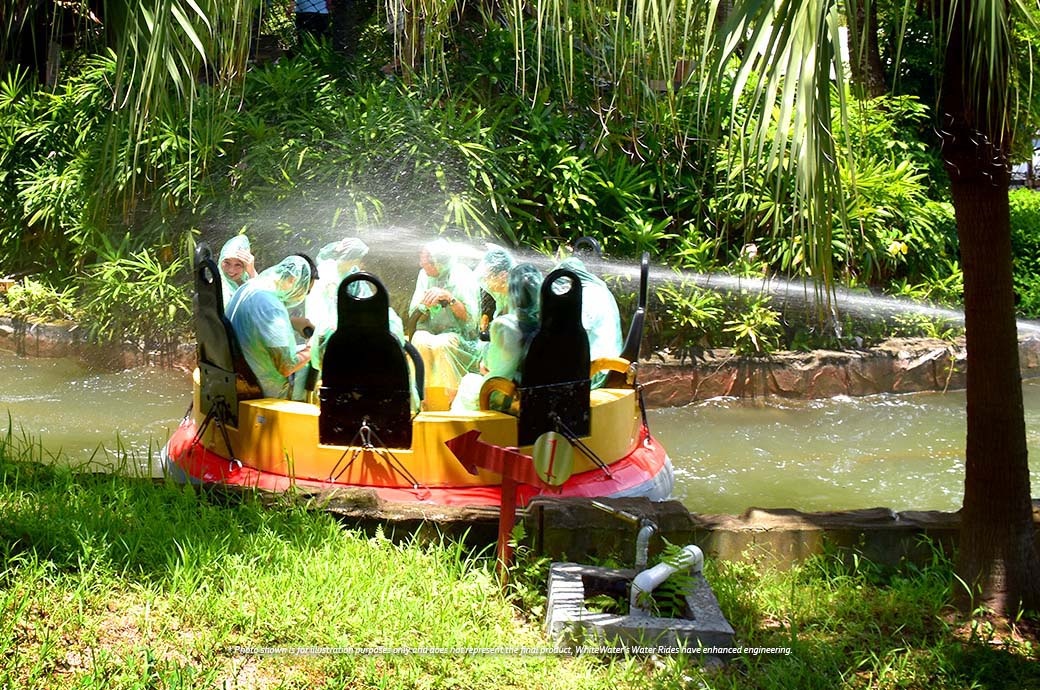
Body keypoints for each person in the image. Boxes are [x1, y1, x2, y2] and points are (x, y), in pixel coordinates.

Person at [451, 263, 542, 412]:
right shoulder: (548, 323)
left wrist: (485, 361)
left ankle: (464, 432)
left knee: (468, 381)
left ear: (512, 292)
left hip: (506, 396)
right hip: (535, 396)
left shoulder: (505, 325)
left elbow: (491, 367)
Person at [226, 255, 315, 400]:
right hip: (262, 389)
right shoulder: (271, 307)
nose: (303, 295)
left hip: (238, 375)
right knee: (311, 367)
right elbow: (286, 366)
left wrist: (291, 321)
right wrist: (313, 347)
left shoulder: (250, 287)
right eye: (306, 289)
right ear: (293, 280)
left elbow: (255, 322)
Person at [407, 238, 480, 409]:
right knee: (419, 340)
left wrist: (449, 297)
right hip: (432, 332)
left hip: (459, 334)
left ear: (439, 263)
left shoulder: (462, 275)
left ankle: (450, 400)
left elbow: (470, 319)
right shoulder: (424, 275)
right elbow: (416, 318)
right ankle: (421, 399)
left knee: (443, 344)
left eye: (426, 264)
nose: (422, 266)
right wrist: (424, 307)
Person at [554, 256, 623, 388]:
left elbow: (575, 335)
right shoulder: (599, 290)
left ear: (570, 281)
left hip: (595, 370)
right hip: (604, 367)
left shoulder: (588, 297)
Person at [473, 244, 516, 339]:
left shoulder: (520, 298)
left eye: (488, 277)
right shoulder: (501, 293)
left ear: (503, 276)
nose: (485, 281)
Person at [217, 235, 258, 307]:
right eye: (227, 263)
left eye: (238, 265)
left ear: (246, 265)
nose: (231, 270)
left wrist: (252, 272)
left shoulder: (249, 281)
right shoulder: (215, 287)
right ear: (221, 260)